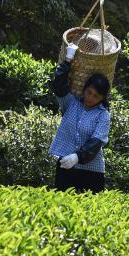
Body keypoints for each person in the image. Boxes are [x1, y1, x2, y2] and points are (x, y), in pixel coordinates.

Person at [49, 43, 111, 193]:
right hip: (66, 165)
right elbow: (58, 87)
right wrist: (68, 60)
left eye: (96, 96)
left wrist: (77, 157)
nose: (90, 97)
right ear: (84, 89)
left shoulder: (103, 115)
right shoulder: (71, 104)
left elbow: (96, 142)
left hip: (91, 172)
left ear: (102, 98)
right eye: (89, 92)